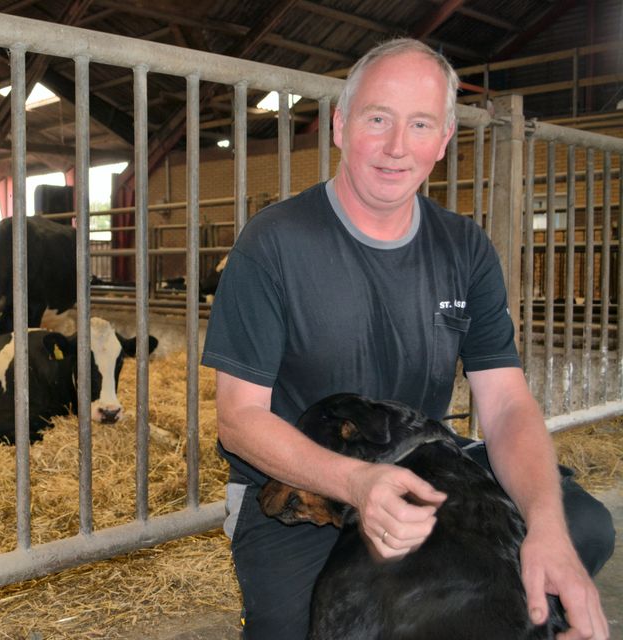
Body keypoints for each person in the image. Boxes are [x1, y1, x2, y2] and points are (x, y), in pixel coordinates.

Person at [201, 37, 615, 639]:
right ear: (341, 125)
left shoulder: (465, 248)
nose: (397, 146)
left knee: (580, 529)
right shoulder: (273, 243)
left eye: (420, 124)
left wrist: (545, 525)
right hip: (303, 479)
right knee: (297, 626)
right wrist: (356, 484)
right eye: (378, 119)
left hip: (422, 460)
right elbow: (239, 420)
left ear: (443, 140)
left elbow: (505, 403)